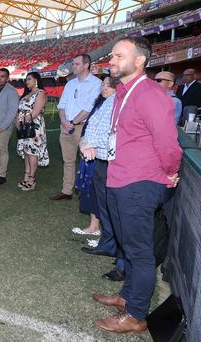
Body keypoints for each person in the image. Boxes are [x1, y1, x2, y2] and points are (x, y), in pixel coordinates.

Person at [92, 37, 182, 334]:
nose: (112, 61)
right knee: (127, 245)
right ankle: (127, 296)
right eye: (112, 56)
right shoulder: (123, 92)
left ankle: (137, 314)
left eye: (119, 55)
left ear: (140, 60)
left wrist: (170, 171)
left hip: (139, 183)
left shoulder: (150, 94)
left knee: (139, 251)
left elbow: (168, 143)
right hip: (120, 178)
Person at [77, 76, 124, 282]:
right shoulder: (105, 103)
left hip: (108, 160)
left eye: (106, 84)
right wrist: (84, 143)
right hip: (100, 159)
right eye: (103, 84)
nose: (103, 87)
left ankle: (114, 247)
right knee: (104, 204)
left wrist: (87, 143)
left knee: (111, 206)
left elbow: (107, 132)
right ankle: (108, 243)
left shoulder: (117, 102)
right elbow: (93, 128)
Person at [51, 54, 101, 200]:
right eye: (73, 64)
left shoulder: (96, 83)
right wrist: (64, 122)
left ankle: (87, 191)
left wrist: (72, 123)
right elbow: (62, 105)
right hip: (66, 126)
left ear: (86, 65)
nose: (73, 66)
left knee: (87, 161)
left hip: (82, 127)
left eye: (77, 64)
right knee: (68, 160)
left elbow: (88, 108)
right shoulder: (70, 84)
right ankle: (67, 190)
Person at [15, 72, 49, 191]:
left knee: (33, 152)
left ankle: (32, 178)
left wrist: (23, 120)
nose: (27, 81)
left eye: (29, 79)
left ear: (36, 80)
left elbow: (36, 112)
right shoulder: (27, 94)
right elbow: (19, 110)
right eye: (26, 79)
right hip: (24, 127)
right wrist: (17, 121)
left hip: (34, 127)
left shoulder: (41, 93)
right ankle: (26, 176)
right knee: (26, 152)